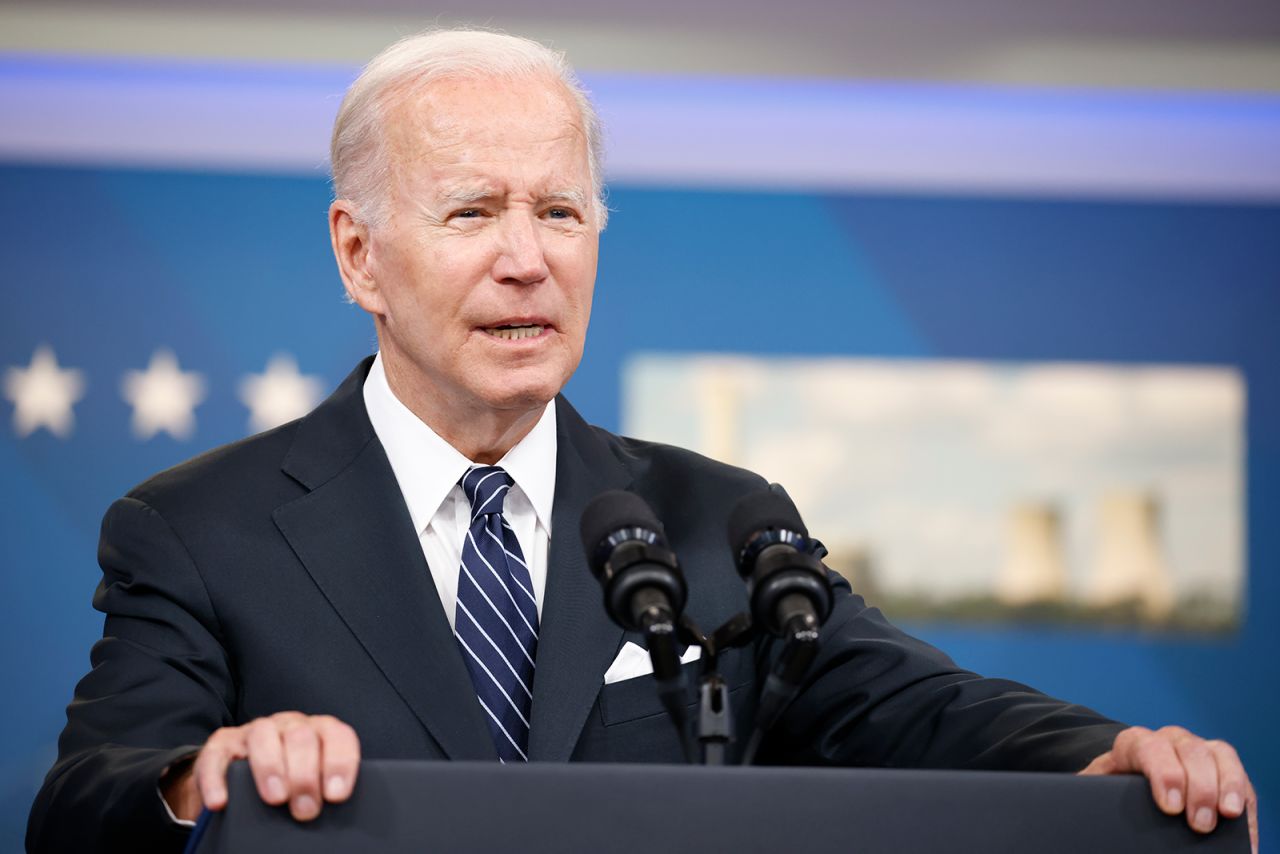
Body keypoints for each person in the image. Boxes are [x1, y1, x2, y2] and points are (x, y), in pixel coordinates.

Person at [27, 28, 1257, 853]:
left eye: (560, 210)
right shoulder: (199, 529)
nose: (528, 256)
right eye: (472, 212)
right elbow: (81, 800)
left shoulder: (713, 521)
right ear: (359, 254)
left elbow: (908, 701)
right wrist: (203, 777)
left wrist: (1104, 747)